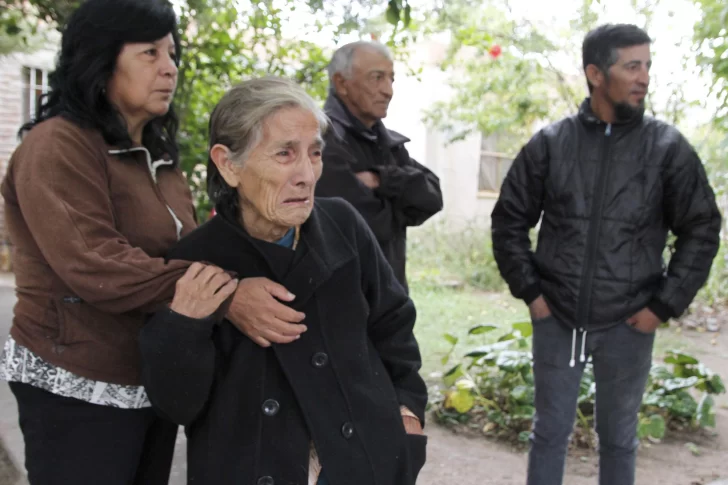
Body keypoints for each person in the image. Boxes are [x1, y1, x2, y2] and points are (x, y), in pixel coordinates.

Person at [0, 1, 250, 483]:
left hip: (148, 374)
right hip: (74, 382)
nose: (169, 68)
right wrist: (223, 294)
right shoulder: (57, 145)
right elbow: (98, 264)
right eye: (149, 52)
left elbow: (186, 250)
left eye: (172, 54)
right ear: (101, 59)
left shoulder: (157, 158)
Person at [139, 77, 428, 485]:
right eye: (284, 154)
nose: (307, 175)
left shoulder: (343, 224)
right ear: (228, 164)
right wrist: (184, 324)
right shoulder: (195, 260)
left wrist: (407, 414)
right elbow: (177, 406)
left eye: (314, 154)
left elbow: (394, 326)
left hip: (364, 465)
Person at [491, 24, 721, 485]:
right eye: (632, 66)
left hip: (629, 321)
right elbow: (509, 221)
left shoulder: (668, 148)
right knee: (549, 433)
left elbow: (702, 228)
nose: (644, 77)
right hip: (557, 316)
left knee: (619, 438)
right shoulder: (551, 144)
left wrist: (662, 306)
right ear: (596, 73)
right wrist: (534, 295)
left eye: (648, 66)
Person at [316, 41, 443, 292]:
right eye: (377, 78)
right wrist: (400, 203)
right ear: (342, 83)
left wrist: (382, 179)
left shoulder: (389, 144)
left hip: (391, 303)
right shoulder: (319, 142)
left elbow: (432, 198)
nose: (388, 91)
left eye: (391, 79)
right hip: (339, 303)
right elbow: (367, 227)